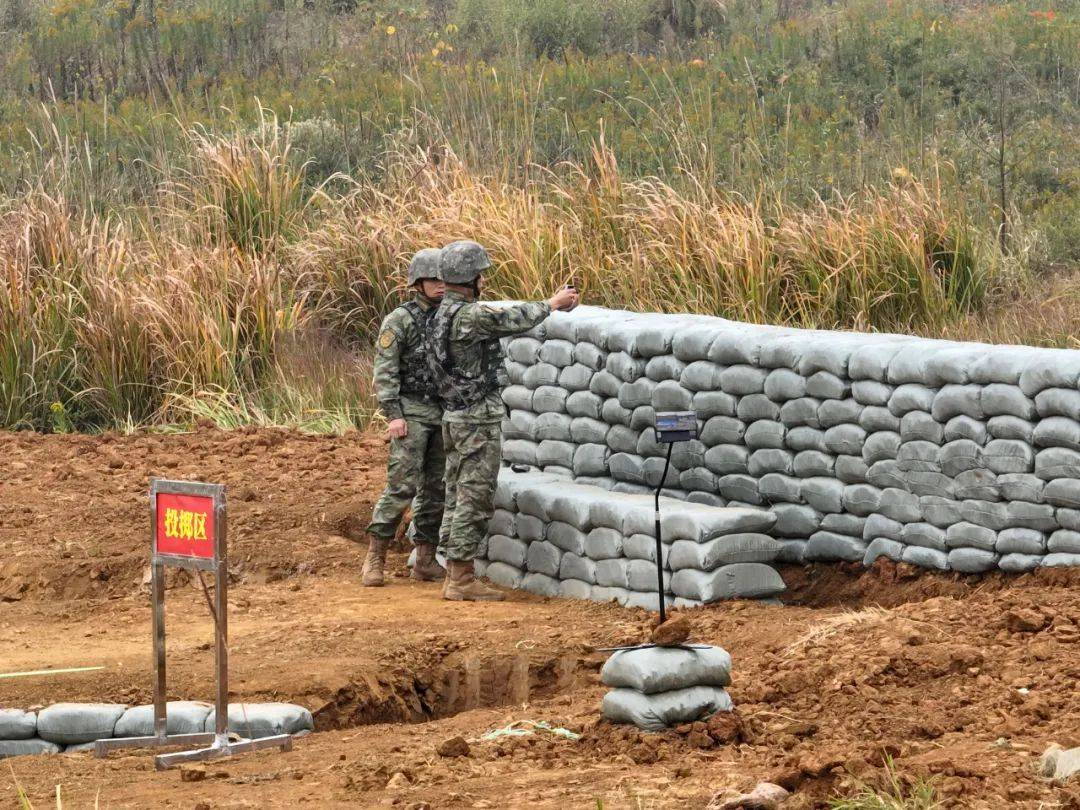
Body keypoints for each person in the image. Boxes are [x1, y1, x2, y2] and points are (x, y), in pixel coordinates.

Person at [431, 240, 579, 601]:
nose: (485, 279)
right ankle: (461, 579)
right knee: (475, 497)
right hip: (476, 419)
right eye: (481, 274)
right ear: (471, 278)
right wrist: (553, 304)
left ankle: (454, 572)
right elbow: (511, 319)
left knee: (456, 492)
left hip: (455, 415)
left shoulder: (439, 313)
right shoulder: (470, 316)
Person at [362, 248, 448, 587]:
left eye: (444, 279)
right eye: (433, 280)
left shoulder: (450, 316)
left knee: (436, 488)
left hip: (442, 413)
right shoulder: (400, 320)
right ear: (418, 283)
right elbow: (385, 371)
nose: (440, 285)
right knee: (402, 487)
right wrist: (393, 415)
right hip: (410, 412)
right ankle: (375, 557)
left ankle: (425, 558)